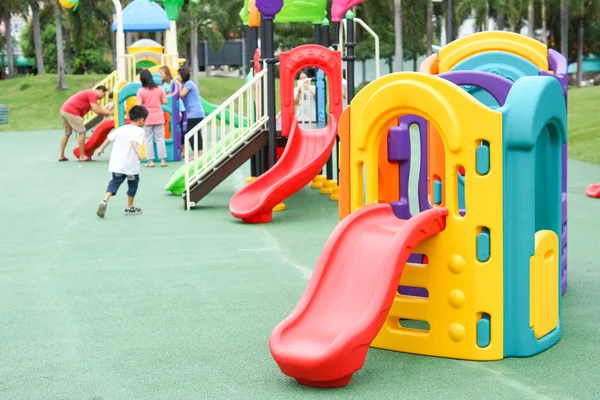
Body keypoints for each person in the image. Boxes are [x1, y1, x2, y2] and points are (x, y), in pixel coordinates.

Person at [95, 105, 148, 218]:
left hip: (117, 165)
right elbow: (133, 141)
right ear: (142, 119)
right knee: (132, 184)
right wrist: (138, 153)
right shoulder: (139, 131)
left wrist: (101, 149)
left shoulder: (121, 128)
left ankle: (104, 200)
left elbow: (109, 138)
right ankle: (129, 207)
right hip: (130, 167)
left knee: (114, 183)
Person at [59, 85, 112, 162]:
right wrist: (110, 112)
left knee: (67, 133)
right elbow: (96, 109)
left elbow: (101, 110)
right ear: (100, 90)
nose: (103, 97)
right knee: (82, 132)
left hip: (64, 110)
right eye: (103, 95)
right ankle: (82, 156)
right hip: (71, 111)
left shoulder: (90, 97)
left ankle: (61, 156)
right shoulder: (92, 93)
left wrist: (109, 112)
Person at [136, 69, 168, 167]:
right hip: (158, 116)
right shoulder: (159, 88)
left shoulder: (141, 91)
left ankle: (151, 161)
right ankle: (162, 160)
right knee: (160, 139)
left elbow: (139, 105)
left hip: (147, 118)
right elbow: (165, 101)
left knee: (148, 140)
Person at [177, 67, 205, 158]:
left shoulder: (189, 84)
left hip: (195, 113)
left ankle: (196, 154)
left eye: (178, 75)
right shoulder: (188, 83)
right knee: (197, 133)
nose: (177, 77)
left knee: (191, 133)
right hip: (197, 113)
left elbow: (181, 95)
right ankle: (199, 153)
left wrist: (178, 84)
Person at [159, 65, 185, 135]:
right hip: (169, 108)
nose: (160, 75)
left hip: (177, 106)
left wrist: (165, 96)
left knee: (179, 127)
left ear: (166, 73)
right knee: (171, 126)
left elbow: (172, 92)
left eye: (161, 73)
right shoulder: (163, 85)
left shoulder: (173, 82)